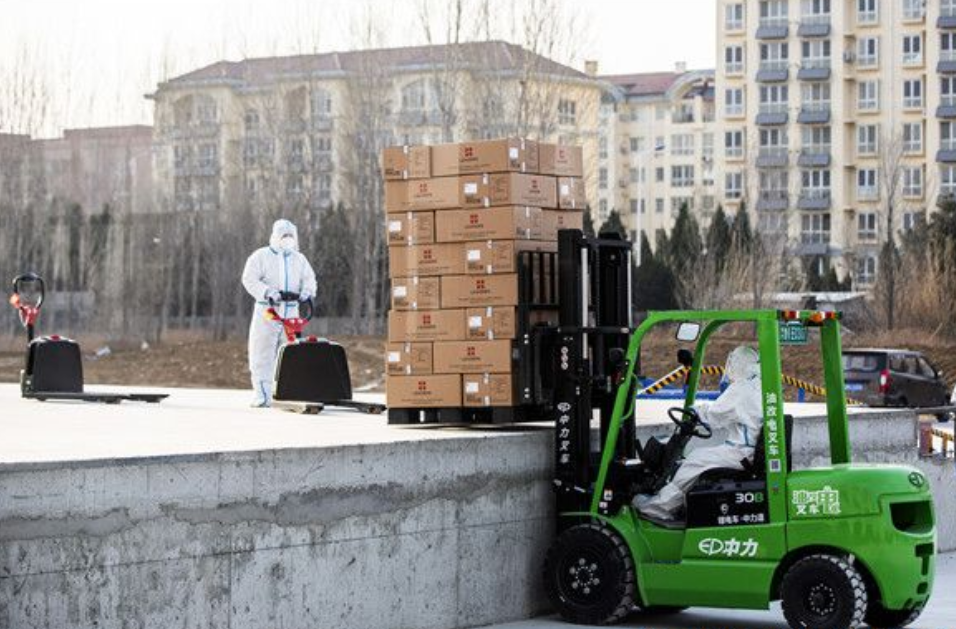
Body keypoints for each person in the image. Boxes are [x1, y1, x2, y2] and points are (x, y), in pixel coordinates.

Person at [635, 346, 763, 520]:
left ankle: (660, 507)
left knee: (694, 461)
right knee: (697, 457)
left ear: (739, 364)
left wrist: (696, 411)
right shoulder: (758, 386)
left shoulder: (742, 389)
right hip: (747, 450)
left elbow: (715, 414)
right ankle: (678, 502)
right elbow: (729, 414)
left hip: (741, 453)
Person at [241, 219, 317, 407]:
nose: (288, 239)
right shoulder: (261, 256)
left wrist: (307, 292)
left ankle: (289, 393)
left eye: (291, 236)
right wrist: (266, 291)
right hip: (267, 311)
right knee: (262, 352)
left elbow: (310, 279)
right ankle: (262, 395)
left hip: (291, 312)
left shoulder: (299, 259)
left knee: (291, 354)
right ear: (275, 236)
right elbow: (249, 279)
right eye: (284, 236)